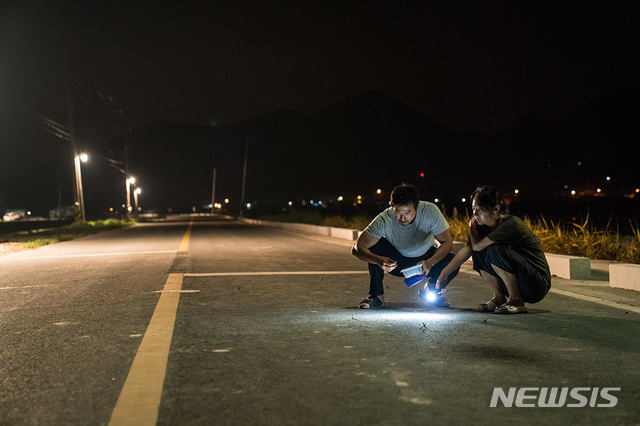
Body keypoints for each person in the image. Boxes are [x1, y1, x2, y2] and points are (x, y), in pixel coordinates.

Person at [435, 186, 551, 314]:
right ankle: (499, 298)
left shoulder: (511, 223)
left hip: (536, 284)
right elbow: (469, 249)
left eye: (480, 209)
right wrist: (444, 273)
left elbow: (476, 246)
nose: (475, 214)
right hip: (521, 281)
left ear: (496, 209)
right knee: (479, 254)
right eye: (473, 209)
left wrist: (471, 227)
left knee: (494, 250)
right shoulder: (483, 227)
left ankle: (516, 300)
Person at [351, 183, 460, 308]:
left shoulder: (430, 211)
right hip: (397, 262)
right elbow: (357, 248)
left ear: (417, 206)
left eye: (407, 212)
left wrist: (430, 262)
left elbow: (448, 243)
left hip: (425, 261)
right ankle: (377, 297)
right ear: (392, 206)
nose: (402, 217)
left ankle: (430, 291)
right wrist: (377, 260)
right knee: (374, 246)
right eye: (397, 212)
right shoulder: (385, 218)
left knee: (453, 262)